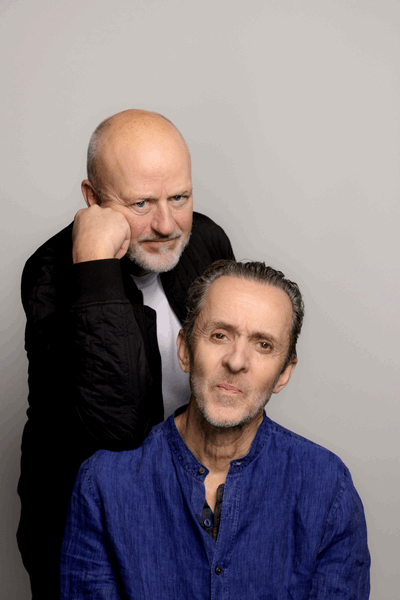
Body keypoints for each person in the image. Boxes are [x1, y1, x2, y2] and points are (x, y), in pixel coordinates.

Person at [17, 110, 235, 598]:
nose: (167, 224)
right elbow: (116, 425)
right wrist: (95, 266)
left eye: (179, 198)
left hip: (183, 507)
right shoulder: (51, 273)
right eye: (140, 203)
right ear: (93, 199)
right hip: (80, 522)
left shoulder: (206, 241)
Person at [59, 260, 370, 599]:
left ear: (283, 373)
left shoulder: (327, 487)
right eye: (220, 335)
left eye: (263, 345)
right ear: (185, 350)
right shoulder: (104, 483)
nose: (236, 361)